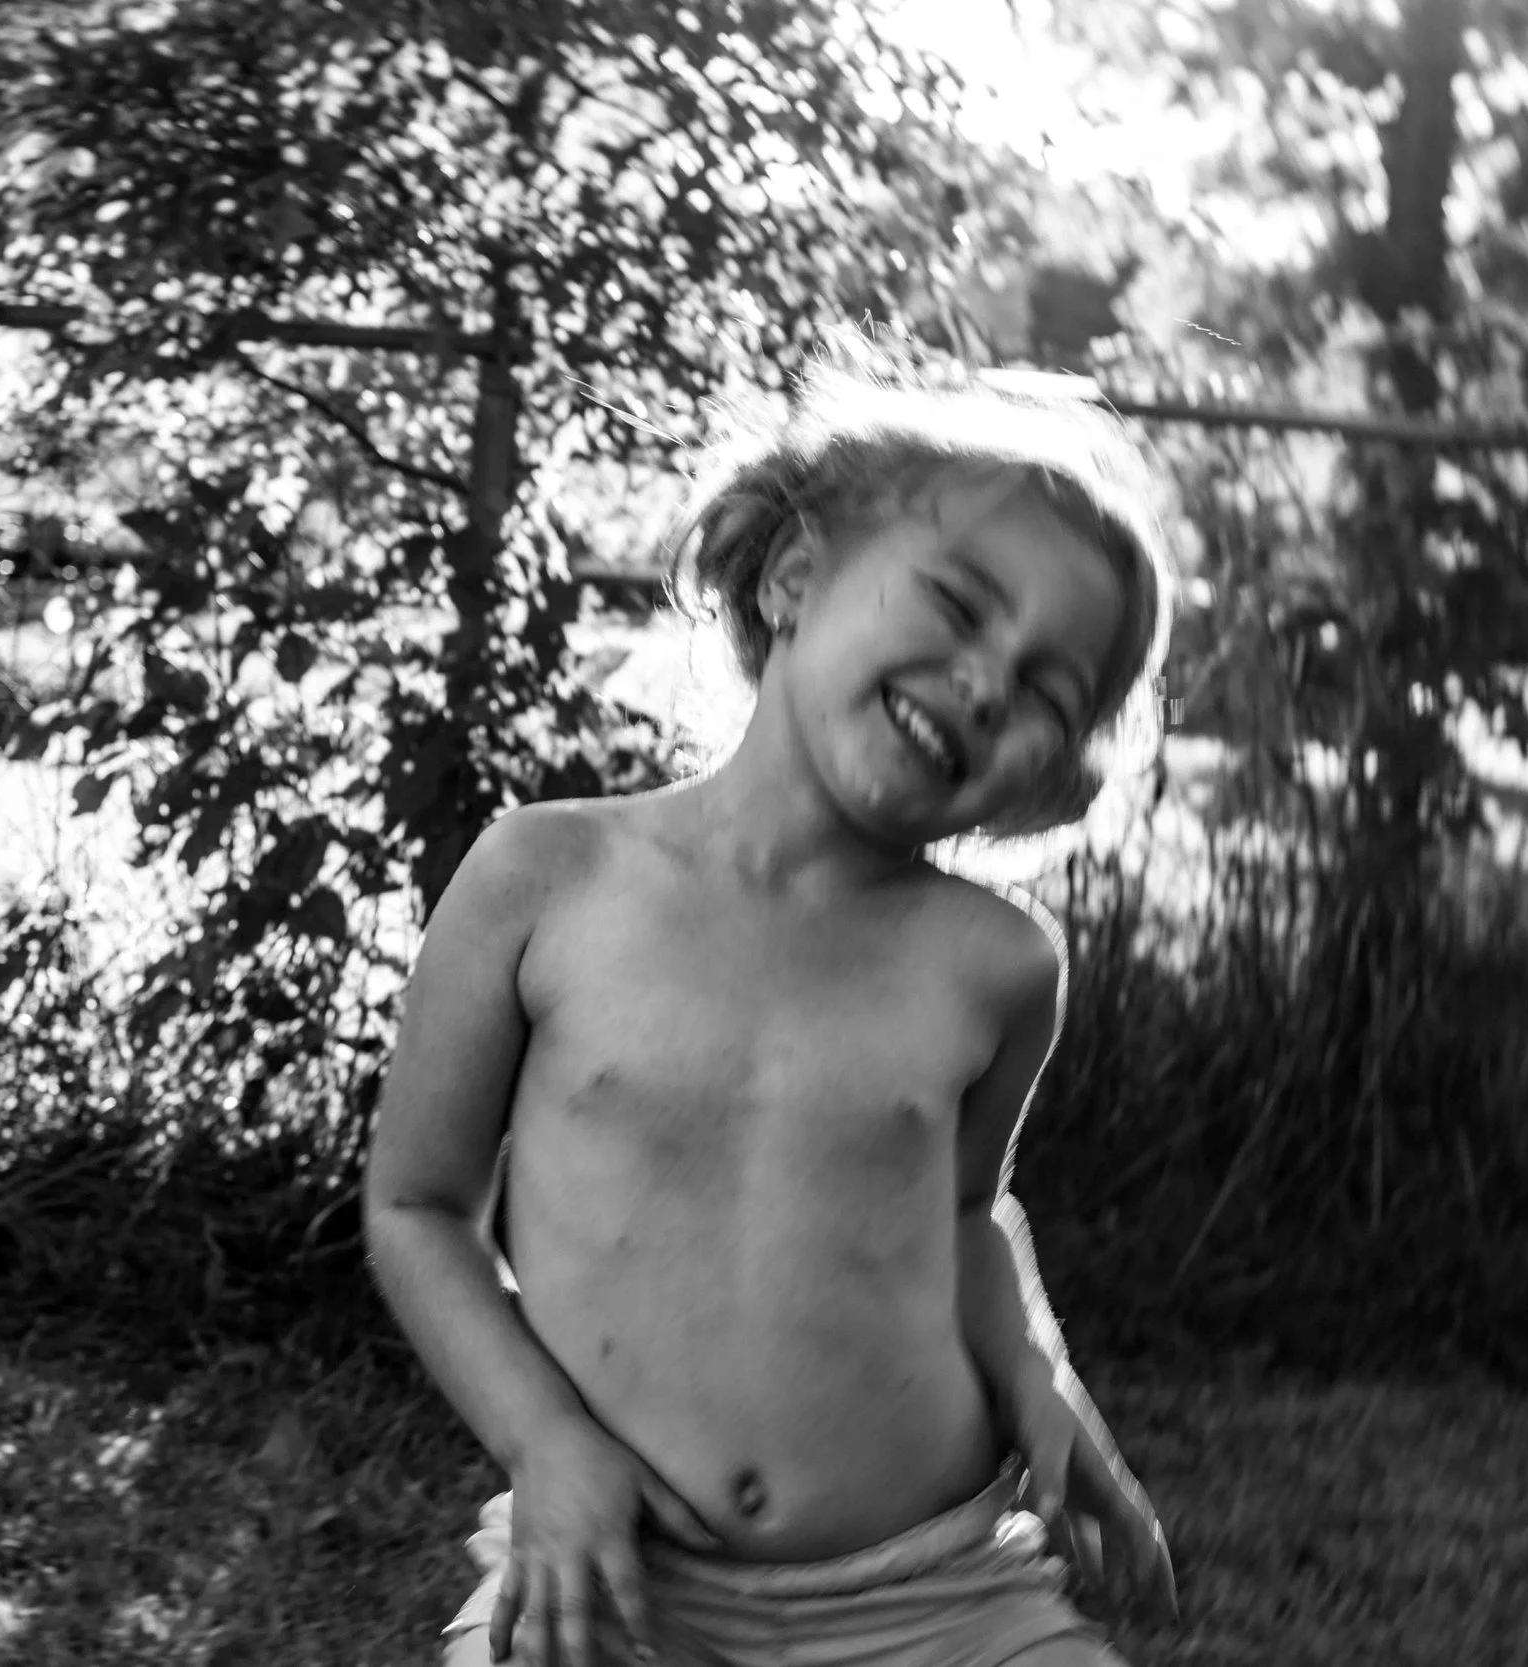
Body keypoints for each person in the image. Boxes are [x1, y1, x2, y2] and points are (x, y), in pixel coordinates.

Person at [364, 342, 1183, 1667]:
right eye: (960, 605)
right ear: (799, 574)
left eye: (1046, 688)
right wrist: (548, 1442)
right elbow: (416, 1207)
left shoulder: (999, 963)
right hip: (612, 1578)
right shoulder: (546, 874)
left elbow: (966, 1214)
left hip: (936, 1596)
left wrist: (1045, 1375)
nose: (987, 681)